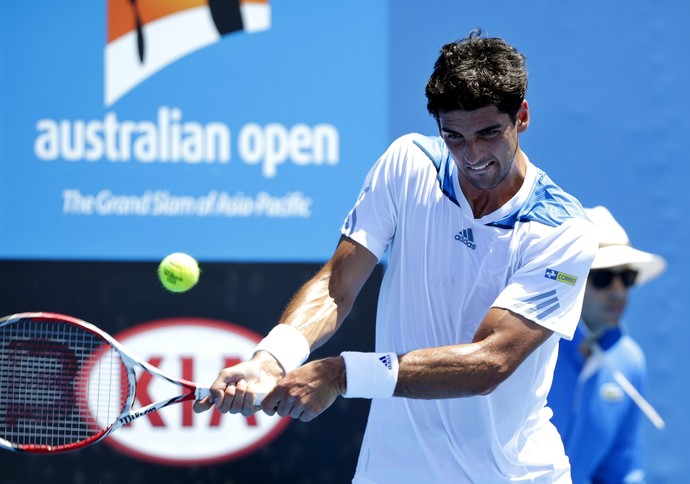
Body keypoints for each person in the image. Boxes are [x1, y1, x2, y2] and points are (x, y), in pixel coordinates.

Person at [195, 29, 598, 482]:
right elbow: (336, 286)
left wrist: (343, 373)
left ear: (521, 117)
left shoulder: (562, 229)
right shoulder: (408, 163)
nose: (473, 155)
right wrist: (272, 358)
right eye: (454, 136)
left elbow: (489, 361)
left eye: (489, 133)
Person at [548, 206, 667, 484]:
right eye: (602, 277)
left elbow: (622, 471)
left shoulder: (630, 360)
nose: (618, 291)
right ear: (571, 280)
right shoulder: (530, 345)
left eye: (626, 278)